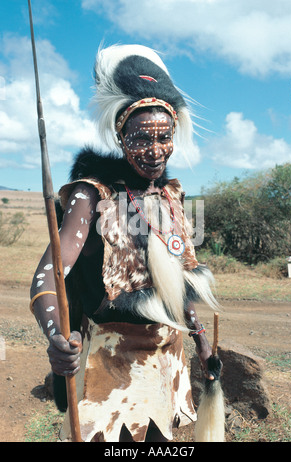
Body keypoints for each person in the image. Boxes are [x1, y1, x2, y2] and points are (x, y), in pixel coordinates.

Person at [30, 44, 222, 442]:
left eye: (163, 138)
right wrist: (56, 337)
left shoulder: (171, 195)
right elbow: (48, 277)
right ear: (121, 139)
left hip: (168, 354)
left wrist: (200, 339)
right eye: (140, 140)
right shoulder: (92, 195)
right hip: (113, 360)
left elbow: (178, 277)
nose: (154, 152)